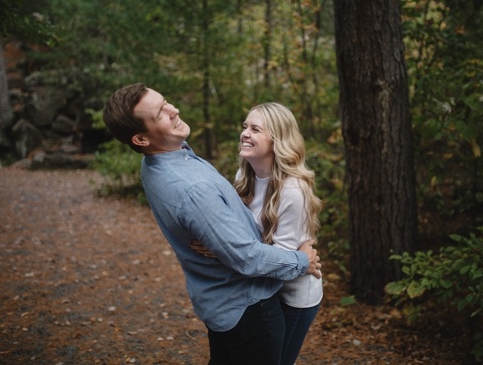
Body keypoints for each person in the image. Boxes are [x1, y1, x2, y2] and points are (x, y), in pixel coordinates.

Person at [101, 83, 323, 365]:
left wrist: (223, 244)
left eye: (166, 101)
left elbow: (240, 243)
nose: (174, 110)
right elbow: (246, 256)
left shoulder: (165, 161)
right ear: (142, 140)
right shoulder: (195, 188)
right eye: (160, 114)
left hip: (235, 301)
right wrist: (301, 260)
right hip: (247, 306)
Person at [232, 102, 323, 365]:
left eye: (255, 129)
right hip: (262, 288)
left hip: (293, 295)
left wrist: (238, 253)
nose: (245, 133)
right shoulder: (243, 175)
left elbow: (281, 261)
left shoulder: (293, 191)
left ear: (277, 141)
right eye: (245, 126)